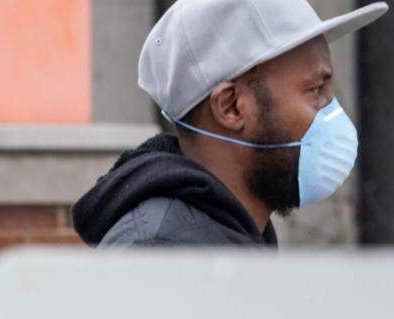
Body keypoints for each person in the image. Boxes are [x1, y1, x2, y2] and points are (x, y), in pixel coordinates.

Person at [73, 0, 388, 248]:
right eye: (316, 90)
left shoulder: (224, 234)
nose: (333, 111)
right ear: (231, 106)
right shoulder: (163, 254)